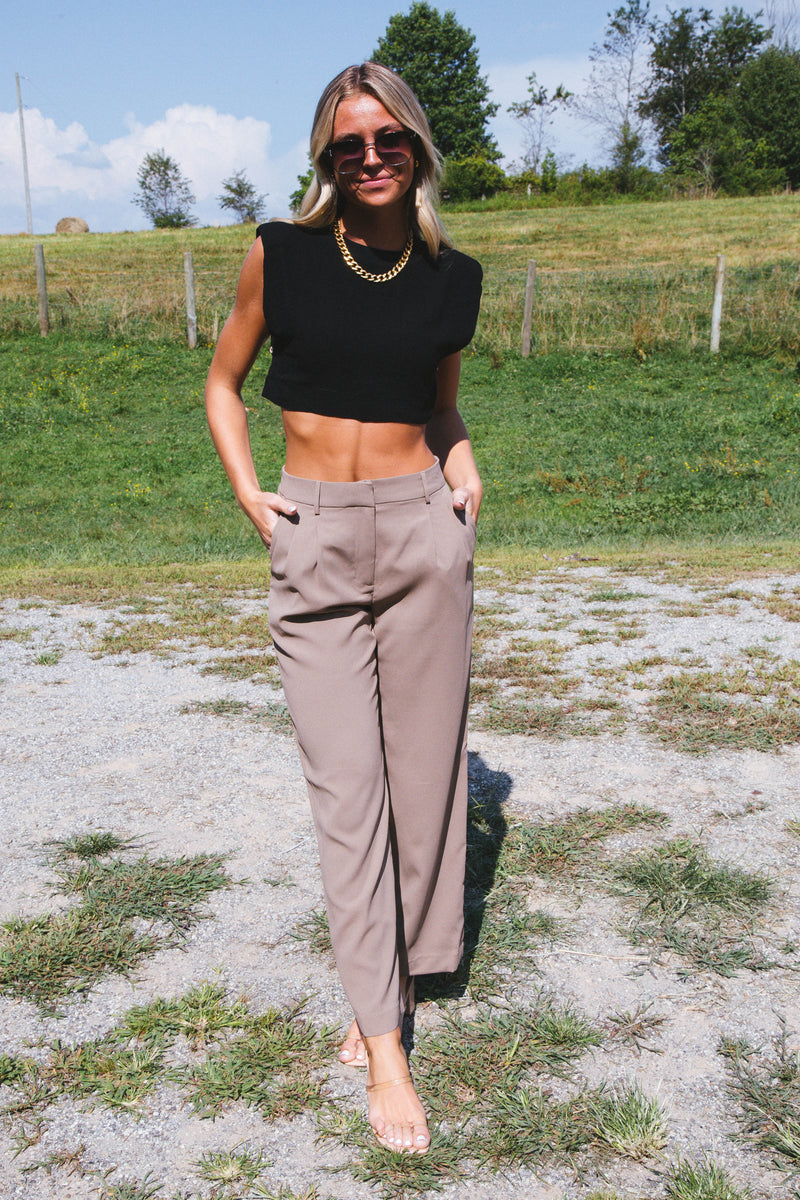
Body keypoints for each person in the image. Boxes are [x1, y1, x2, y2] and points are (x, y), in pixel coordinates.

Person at [205, 62, 482, 1155]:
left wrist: (465, 463)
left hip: (421, 534)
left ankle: (391, 983)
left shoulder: (452, 278)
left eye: (387, 139)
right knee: (347, 795)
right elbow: (223, 382)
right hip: (313, 534)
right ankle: (386, 1048)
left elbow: (440, 409)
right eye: (347, 145)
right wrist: (248, 493)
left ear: (415, 145)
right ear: (325, 158)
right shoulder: (280, 252)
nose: (370, 158)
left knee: (424, 785)